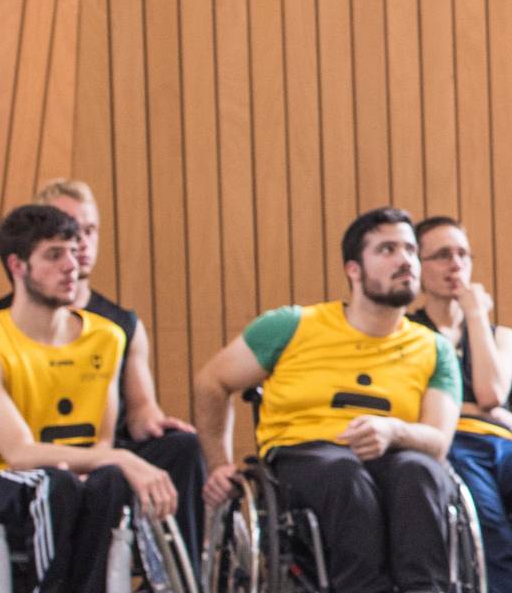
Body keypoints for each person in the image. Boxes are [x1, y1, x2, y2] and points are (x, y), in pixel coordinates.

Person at [194, 207, 463, 593]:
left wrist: (392, 430)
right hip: (306, 457)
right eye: (387, 249)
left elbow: (438, 440)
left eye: (409, 249)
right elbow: (211, 382)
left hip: (393, 453)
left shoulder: (434, 348)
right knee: (344, 476)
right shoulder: (291, 326)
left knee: (419, 474)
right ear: (354, 269)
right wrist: (219, 465)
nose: (405, 260)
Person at [0, 204, 186, 593]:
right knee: (56, 483)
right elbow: (20, 453)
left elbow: (101, 440)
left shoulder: (108, 338)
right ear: (18, 266)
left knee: (110, 479)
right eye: (53, 255)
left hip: (80, 470)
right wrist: (118, 456)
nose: (71, 265)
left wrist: (110, 459)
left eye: (73, 251)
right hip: (7, 482)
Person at [408, 217, 512, 593]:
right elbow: (477, 403)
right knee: (488, 522)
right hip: (454, 443)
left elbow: (491, 392)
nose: (456, 265)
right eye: (441, 256)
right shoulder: (408, 333)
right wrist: (479, 410)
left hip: (505, 445)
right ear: (419, 268)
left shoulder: (501, 335)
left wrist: (475, 315)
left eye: (462, 255)